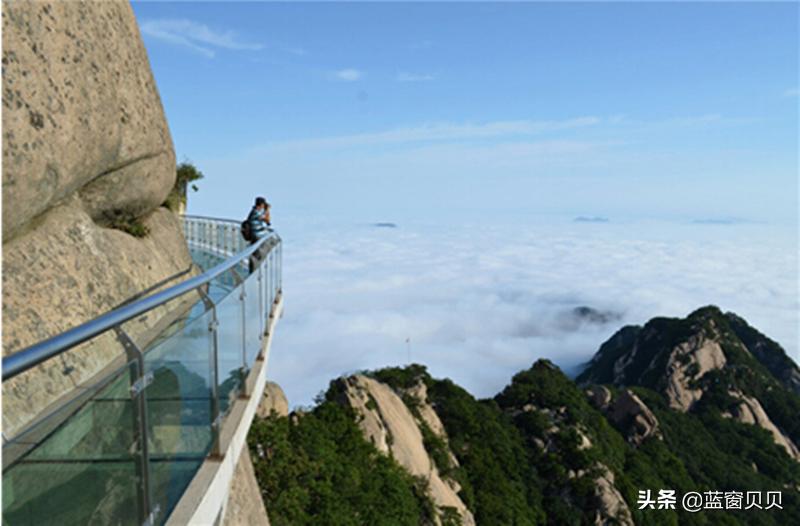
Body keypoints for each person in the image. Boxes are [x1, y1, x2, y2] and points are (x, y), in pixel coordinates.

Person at [248, 196, 272, 272]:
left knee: (257, 254)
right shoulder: (256, 212)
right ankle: (254, 272)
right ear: (261, 204)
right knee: (258, 254)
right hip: (257, 235)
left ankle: (254, 270)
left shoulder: (255, 211)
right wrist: (267, 210)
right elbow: (267, 220)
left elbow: (266, 221)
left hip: (256, 234)